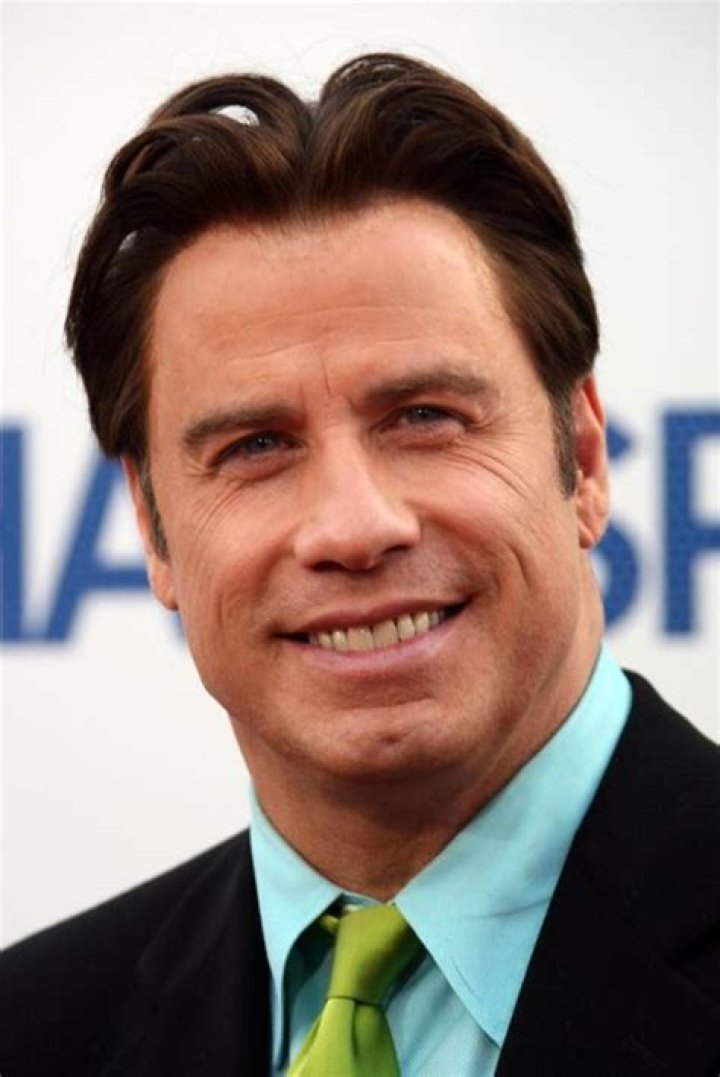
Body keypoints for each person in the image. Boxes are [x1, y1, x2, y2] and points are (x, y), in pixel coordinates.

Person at [1, 52, 718, 1077]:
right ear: (154, 529)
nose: (352, 526)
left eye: (425, 416)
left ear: (585, 456)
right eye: (256, 445)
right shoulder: (32, 1029)